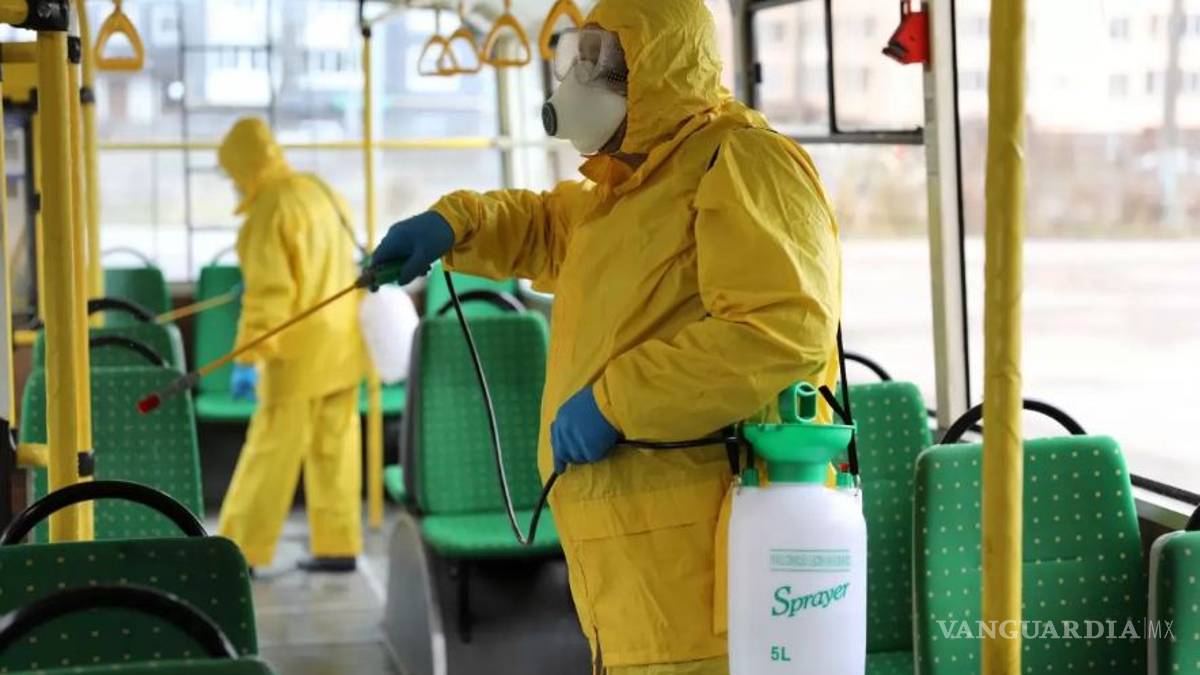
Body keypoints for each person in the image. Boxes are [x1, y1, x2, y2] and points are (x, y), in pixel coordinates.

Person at [373, 0, 842, 671]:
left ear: (661, 67)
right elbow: (545, 228)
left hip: (707, 552)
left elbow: (779, 331)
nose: (582, 79)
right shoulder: (628, 185)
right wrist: (457, 225)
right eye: (581, 57)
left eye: (605, 61)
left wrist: (615, 401)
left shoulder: (739, 162)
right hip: (633, 551)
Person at [216, 117, 367, 573]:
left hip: (297, 355)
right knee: (335, 450)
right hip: (343, 343)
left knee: (269, 454)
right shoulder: (322, 190)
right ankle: (338, 547)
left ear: (244, 166)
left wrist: (248, 357)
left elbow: (270, 297)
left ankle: (238, 554)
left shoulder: (269, 211)